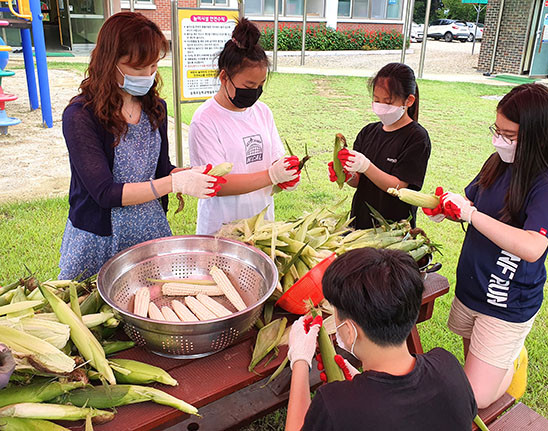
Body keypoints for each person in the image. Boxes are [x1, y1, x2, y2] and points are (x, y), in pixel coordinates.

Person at [425, 83, 548, 408]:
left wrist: (471, 214)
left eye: (509, 135)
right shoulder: (497, 162)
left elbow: (532, 246)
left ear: (538, 136)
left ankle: (512, 361)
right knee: (473, 364)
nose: (499, 141)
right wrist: (446, 208)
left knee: (476, 398)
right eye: (497, 130)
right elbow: (470, 200)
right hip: (473, 287)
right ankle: (500, 363)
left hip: (507, 301)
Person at [59, 12, 222, 279]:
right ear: (109, 61)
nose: (147, 76)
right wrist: (173, 184)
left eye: (154, 67)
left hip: (149, 229)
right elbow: (104, 193)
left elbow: (161, 170)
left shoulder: (155, 108)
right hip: (99, 238)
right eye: (137, 68)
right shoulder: (80, 116)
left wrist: (187, 174)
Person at [285, 248, 477, 431]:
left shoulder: (337, 407)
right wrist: (361, 387)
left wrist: (300, 361)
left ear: (350, 330)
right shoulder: (448, 366)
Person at [188, 18, 300, 235]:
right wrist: (271, 176)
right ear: (224, 77)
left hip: (262, 225)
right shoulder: (205, 120)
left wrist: (288, 174)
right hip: (222, 229)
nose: (255, 92)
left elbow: (275, 159)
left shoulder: (263, 112)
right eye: (249, 86)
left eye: (260, 85)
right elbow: (216, 184)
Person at [328, 63, 431, 229]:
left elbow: (399, 187)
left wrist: (366, 165)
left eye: (388, 102)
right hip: (361, 221)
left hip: (393, 228)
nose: (381, 106)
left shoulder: (417, 138)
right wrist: (347, 175)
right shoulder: (368, 132)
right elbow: (358, 182)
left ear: (409, 101)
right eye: (376, 100)